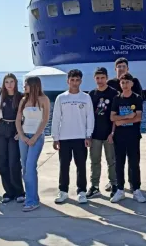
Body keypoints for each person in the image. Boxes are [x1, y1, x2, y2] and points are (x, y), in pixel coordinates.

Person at [53, 69, 95, 205]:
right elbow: (56, 119)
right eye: (72, 80)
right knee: (64, 165)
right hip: (64, 138)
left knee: (81, 166)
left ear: (81, 81)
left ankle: (82, 192)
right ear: (68, 81)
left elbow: (90, 117)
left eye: (77, 80)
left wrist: (88, 135)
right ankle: (63, 191)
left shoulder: (86, 97)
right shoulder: (61, 98)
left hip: (81, 138)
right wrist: (55, 137)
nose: (74, 83)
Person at [109, 73, 146, 203]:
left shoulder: (137, 98)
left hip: (133, 136)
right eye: (122, 82)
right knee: (119, 163)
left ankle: (136, 189)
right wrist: (128, 117)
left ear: (132, 83)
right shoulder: (116, 99)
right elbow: (112, 117)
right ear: (120, 84)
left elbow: (139, 117)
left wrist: (122, 121)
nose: (125, 85)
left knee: (134, 163)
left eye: (127, 82)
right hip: (119, 137)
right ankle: (120, 190)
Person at [107, 57, 143, 192]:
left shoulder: (135, 84)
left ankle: (134, 185)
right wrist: (114, 126)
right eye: (119, 67)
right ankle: (115, 183)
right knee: (116, 159)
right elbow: (112, 113)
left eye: (123, 66)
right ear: (115, 69)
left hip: (131, 130)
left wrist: (122, 120)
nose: (121, 69)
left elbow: (137, 113)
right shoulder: (111, 84)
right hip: (115, 129)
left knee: (133, 161)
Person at [15, 76, 50, 212]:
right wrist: (22, 135)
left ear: (34, 85)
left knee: (30, 167)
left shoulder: (43, 99)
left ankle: (32, 201)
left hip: (36, 137)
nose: (24, 87)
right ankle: (32, 195)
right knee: (24, 167)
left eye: (26, 85)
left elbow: (45, 120)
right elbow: (18, 119)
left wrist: (35, 137)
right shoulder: (23, 100)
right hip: (23, 137)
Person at [0, 73, 25, 204]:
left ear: (15, 83)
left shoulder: (21, 96)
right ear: (4, 84)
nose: (9, 84)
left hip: (15, 130)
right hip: (2, 130)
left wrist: (21, 131)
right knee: (2, 162)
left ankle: (19, 192)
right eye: (6, 82)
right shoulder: (1, 96)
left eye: (11, 81)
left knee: (14, 163)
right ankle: (8, 192)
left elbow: (24, 116)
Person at [86, 67, 118, 198]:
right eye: (97, 78)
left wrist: (113, 132)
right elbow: (87, 116)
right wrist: (88, 135)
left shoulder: (114, 93)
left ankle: (115, 184)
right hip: (95, 135)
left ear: (107, 78)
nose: (100, 81)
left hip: (109, 134)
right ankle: (94, 186)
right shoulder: (91, 94)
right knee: (94, 161)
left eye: (102, 78)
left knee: (112, 161)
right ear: (94, 79)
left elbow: (116, 114)